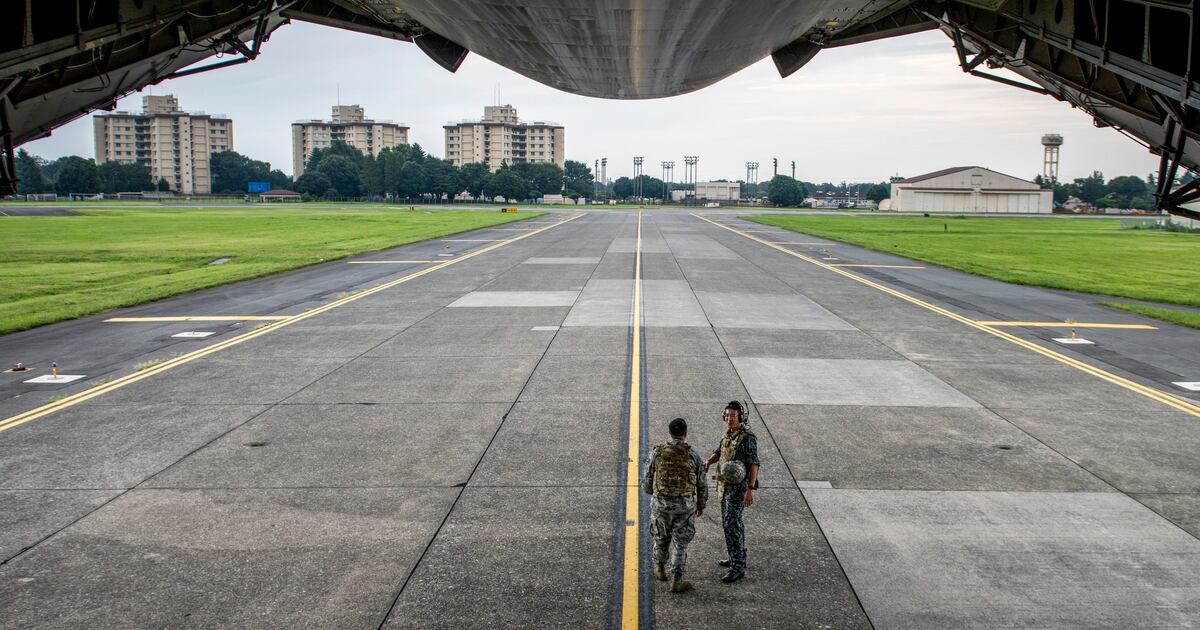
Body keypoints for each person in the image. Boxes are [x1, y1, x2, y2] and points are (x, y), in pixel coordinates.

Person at [641, 417, 708, 593]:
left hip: (661, 504)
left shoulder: (658, 452)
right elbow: (701, 483)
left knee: (661, 537)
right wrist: (701, 504)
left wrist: (653, 494)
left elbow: (647, 478)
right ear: (685, 434)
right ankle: (677, 580)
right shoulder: (693, 454)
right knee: (680, 543)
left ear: (670, 433)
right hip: (684, 507)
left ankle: (660, 569)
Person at [704, 400, 759, 583]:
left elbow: (754, 464)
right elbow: (719, 453)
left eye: (733, 416)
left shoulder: (747, 438)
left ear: (740, 417)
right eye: (727, 415)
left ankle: (738, 566)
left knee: (732, 524)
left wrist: (750, 489)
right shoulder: (728, 434)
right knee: (730, 524)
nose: (729, 419)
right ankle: (736, 556)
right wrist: (708, 462)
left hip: (738, 490)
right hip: (724, 488)